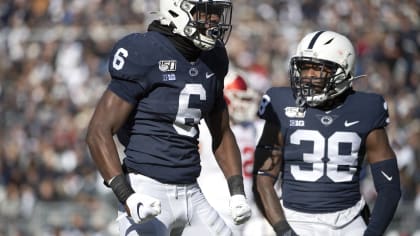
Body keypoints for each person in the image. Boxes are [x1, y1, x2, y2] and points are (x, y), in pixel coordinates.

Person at [85, 0, 252, 235]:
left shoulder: (213, 57)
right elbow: (97, 131)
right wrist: (127, 197)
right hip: (147, 189)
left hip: (192, 191)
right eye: (205, 13)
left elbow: (222, 132)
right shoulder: (145, 51)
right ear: (176, 9)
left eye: (216, 14)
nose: (214, 21)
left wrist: (236, 192)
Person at [252, 30, 401, 236]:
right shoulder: (280, 103)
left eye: (317, 69)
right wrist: (284, 231)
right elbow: (263, 179)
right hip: (294, 218)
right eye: (304, 68)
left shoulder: (367, 108)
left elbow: (389, 187)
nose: (308, 76)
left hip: (349, 221)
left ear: (343, 70)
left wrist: (372, 232)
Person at [197, 69, 273, 236]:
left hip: (247, 209)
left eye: (245, 99)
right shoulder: (203, 128)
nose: (243, 105)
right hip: (214, 207)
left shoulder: (257, 128)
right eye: (238, 98)